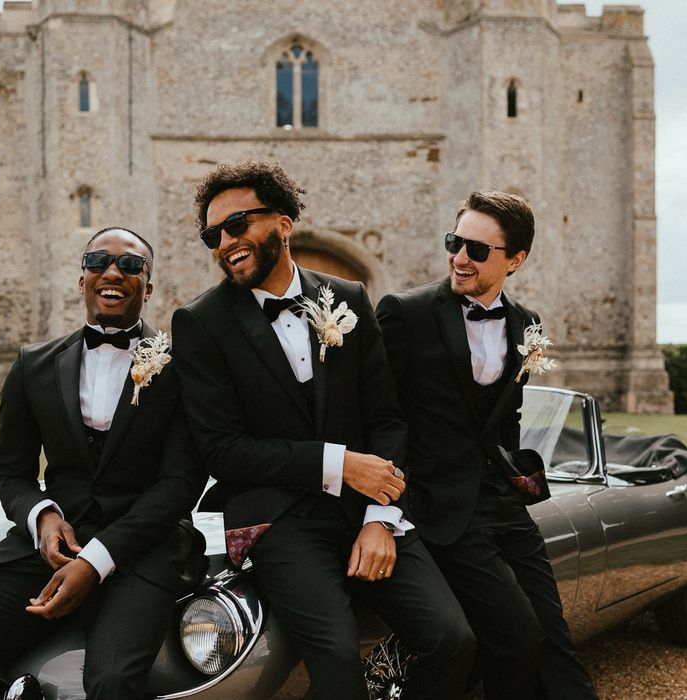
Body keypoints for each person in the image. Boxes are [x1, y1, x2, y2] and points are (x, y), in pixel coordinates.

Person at [171, 160, 475, 700]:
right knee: (334, 660)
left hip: (366, 507)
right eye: (212, 234)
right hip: (277, 519)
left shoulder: (350, 298)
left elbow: (386, 418)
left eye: (237, 224)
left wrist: (381, 518)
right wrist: (338, 463)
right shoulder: (200, 323)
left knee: (452, 640)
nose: (225, 242)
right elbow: (223, 451)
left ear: (283, 222)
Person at [0, 227, 206, 700]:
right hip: (47, 545)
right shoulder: (34, 364)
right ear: (82, 278)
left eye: (130, 265)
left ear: (147, 287)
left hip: (143, 547)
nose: (113, 272)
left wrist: (97, 560)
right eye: (98, 262)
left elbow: (180, 483)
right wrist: (43, 517)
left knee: (112, 683)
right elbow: (11, 472)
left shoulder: (182, 367)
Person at [376, 191, 598, 700]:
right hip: (439, 508)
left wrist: (517, 471)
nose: (459, 258)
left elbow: (504, 418)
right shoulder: (404, 313)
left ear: (514, 260)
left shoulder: (526, 324)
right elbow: (379, 415)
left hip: (504, 505)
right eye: (455, 242)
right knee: (517, 636)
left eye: (478, 250)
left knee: (554, 638)